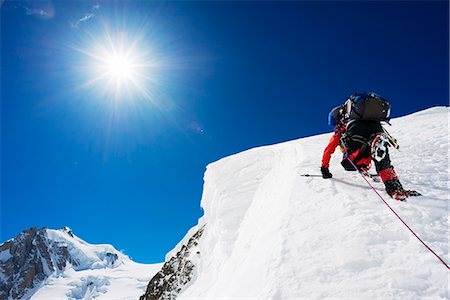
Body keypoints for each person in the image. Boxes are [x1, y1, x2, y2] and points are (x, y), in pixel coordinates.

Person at [321, 92, 413, 201]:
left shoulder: (341, 131)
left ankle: (367, 147)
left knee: (348, 164)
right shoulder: (364, 119)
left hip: (356, 132)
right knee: (382, 159)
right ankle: (395, 189)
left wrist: (324, 168)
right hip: (376, 127)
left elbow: (328, 150)